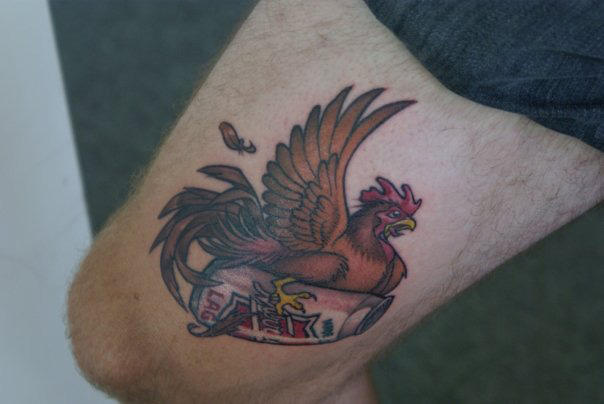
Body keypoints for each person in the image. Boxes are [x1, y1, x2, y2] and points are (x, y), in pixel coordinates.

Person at [67, 1, 603, 403]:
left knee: (143, 351)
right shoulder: (338, 259)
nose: (399, 224)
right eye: (391, 217)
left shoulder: (375, 264)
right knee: (147, 350)